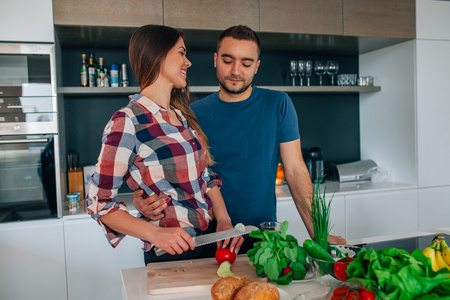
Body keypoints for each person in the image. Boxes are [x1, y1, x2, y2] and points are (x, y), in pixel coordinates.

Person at [133, 25, 346, 254]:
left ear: (257, 66)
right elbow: (175, 176)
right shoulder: (191, 114)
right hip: (208, 239)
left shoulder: (278, 104)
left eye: (246, 63)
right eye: (227, 60)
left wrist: (319, 234)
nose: (236, 70)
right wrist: (142, 202)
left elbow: (294, 170)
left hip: (262, 235)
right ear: (215, 60)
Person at [86, 24, 243, 264]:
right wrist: (155, 233)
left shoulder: (180, 116)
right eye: (181, 52)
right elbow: (99, 203)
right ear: (158, 55)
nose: (188, 62)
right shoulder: (127, 121)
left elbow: (205, 175)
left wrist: (223, 220)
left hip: (209, 241)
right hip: (172, 253)